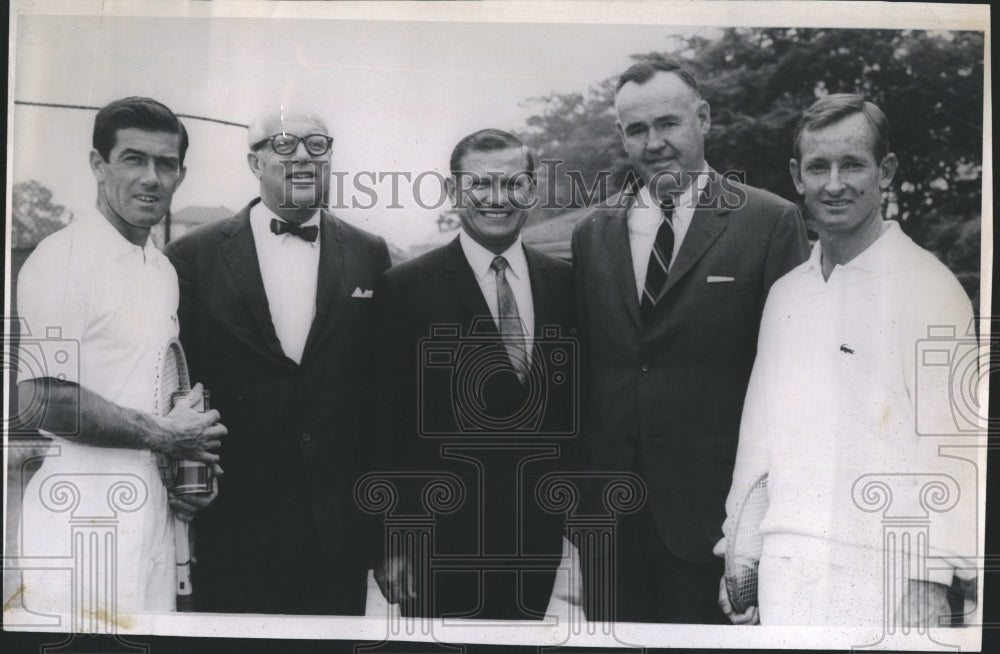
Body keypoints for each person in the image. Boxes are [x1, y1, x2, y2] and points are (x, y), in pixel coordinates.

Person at [717, 94, 978, 626]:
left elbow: (957, 452)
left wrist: (931, 581)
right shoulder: (786, 294)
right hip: (787, 570)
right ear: (797, 176)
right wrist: (739, 559)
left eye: (853, 164)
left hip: (890, 577)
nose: (834, 184)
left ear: (886, 172)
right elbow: (758, 442)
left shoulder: (932, 288)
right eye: (819, 167)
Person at [570, 59, 810, 623]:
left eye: (669, 123)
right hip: (609, 525)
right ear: (621, 136)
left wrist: (761, 533)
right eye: (636, 129)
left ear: (703, 118)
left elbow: (792, 387)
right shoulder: (592, 232)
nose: (654, 143)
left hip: (715, 526)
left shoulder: (769, 221)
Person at [165, 104, 391, 614]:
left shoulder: (368, 252)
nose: (303, 158)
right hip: (229, 523)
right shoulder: (193, 256)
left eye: (319, 145)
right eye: (285, 145)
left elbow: (380, 394)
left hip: (336, 532)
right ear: (254, 162)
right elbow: (180, 383)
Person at [16, 96, 225, 619]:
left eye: (166, 163)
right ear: (98, 165)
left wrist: (189, 465)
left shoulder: (162, 270)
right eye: (134, 158)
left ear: (181, 174)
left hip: (154, 533)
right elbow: (39, 399)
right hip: (78, 531)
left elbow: (152, 392)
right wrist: (165, 435)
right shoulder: (60, 259)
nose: (151, 177)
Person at [372, 129, 575, 619]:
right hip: (439, 545)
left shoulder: (566, 284)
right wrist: (394, 540)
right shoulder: (405, 289)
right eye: (479, 184)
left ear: (532, 188)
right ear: (454, 191)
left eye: (512, 183)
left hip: (536, 539)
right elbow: (383, 424)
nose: (496, 198)